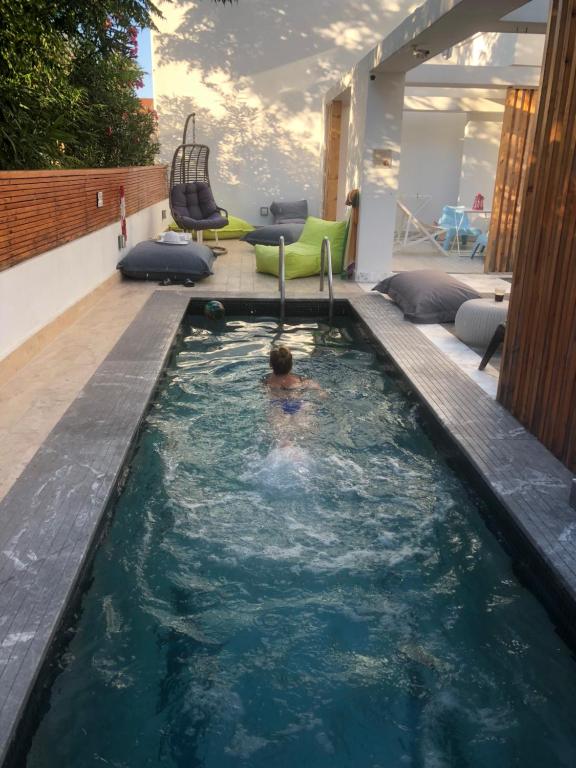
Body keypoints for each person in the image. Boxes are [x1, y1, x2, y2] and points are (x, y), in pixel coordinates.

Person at [263, 346, 321, 416]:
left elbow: (264, 393)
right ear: (291, 365)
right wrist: (321, 391)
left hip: (276, 405)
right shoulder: (299, 379)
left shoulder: (266, 380)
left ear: (270, 364)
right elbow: (314, 385)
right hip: (297, 402)